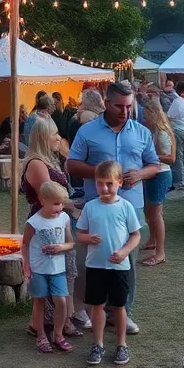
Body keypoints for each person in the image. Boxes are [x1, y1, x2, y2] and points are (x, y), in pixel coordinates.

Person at [66, 80, 160, 336]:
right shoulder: (87, 132)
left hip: (130, 207)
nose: (125, 111)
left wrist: (140, 174)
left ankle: (122, 313)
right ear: (107, 103)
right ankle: (89, 309)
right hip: (95, 208)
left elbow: (155, 164)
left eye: (129, 106)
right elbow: (71, 164)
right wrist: (101, 173)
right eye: (119, 106)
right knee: (92, 261)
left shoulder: (141, 132)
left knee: (127, 263)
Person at [21, 120, 84, 336]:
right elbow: (51, 197)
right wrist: (76, 206)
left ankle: (61, 320)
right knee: (50, 271)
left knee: (64, 270)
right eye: (54, 134)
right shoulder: (37, 164)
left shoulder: (49, 160)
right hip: (45, 225)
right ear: (42, 138)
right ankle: (46, 323)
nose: (58, 138)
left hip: (57, 221)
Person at [77, 160, 142, 366]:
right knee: (97, 306)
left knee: (119, 306)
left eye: (109, 184)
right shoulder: (90, 207)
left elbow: (136, 235)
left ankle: (121, 344)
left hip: (119, 266)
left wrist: (124, 252)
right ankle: (98, 344)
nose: (104, 189)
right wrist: (88, 238)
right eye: (100, 184)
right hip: (95, 266)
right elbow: (80, 234)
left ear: (119, 182)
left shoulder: (125, 207)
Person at [22, 181, 76, 354]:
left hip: (58, 269)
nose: (59, 208)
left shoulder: (64, 218)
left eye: (61, 203)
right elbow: (25, 244)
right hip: (39, 269)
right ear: (42, 200)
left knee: (61, 301)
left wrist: (61, 247)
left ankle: (58, 335)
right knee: (39, 302)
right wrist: (26, 264)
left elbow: (71, 243)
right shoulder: (34, 222)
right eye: (55, 203)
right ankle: (41, 336)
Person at [139, 97, 174, 267]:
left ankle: (160, 253)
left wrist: (150, 156)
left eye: (146, 115)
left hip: (160, 174)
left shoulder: (162, 133)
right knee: (150, 211)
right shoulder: (155, 131)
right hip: (155, 174)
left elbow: (170, 158)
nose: (144, 119)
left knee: (156, 214)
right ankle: (153, 240)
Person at [167, 81, 184, 195]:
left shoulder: (177, 102)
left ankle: (179, 182)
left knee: (178, 158)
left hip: (178, 131)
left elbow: (169, 116)